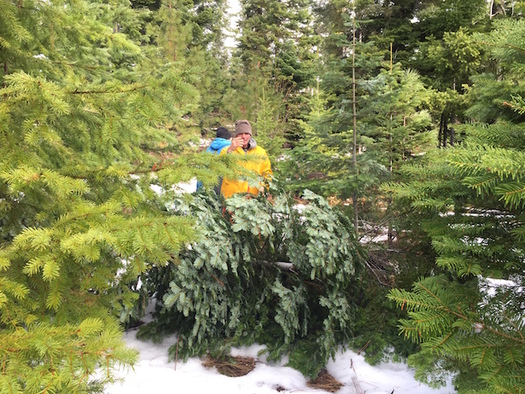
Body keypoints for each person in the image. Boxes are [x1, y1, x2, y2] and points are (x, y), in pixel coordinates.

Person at [220, 119, 272, 198]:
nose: (244, 137)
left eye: (246, 133)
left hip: (253, 200)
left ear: (250, 135)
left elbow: (267, 174)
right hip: (231, 200)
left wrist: (265, 187)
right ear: (236, 135)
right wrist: (230, 150)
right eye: (240, 133)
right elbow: (219, 169)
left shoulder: (261, 152)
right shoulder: (226, 150)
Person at [196, 126, 232, 193]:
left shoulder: (207, 150)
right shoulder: (230, 150)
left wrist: (199, 191)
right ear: (229, 139)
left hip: (207, 190)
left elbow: (200, 173)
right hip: (224, 191)